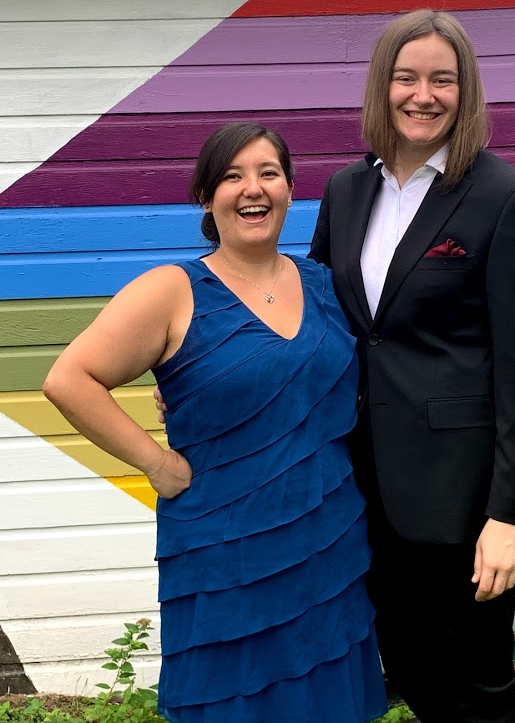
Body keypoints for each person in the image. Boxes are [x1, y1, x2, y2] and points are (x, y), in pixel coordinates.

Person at [42, 123, 388, 723]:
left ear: (289, 189)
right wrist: (156, 462)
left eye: (268, 173)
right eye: (232, 176)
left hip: (327, 541)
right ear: (207, 196)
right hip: (223, 552)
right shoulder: (173, 290)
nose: (251, 189)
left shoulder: (326, 284)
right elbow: (70, 380)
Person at [307, 9, 515, 723]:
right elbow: (322, 323)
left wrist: (511, 515)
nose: (424, 94)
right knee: (410, 670)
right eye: (406, 77)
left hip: (461, 499)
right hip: (364, 489)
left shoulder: (506, 198)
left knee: (477, 688)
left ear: (465, 90)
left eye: (442, 80)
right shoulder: (346, 191)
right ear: (382, 88)